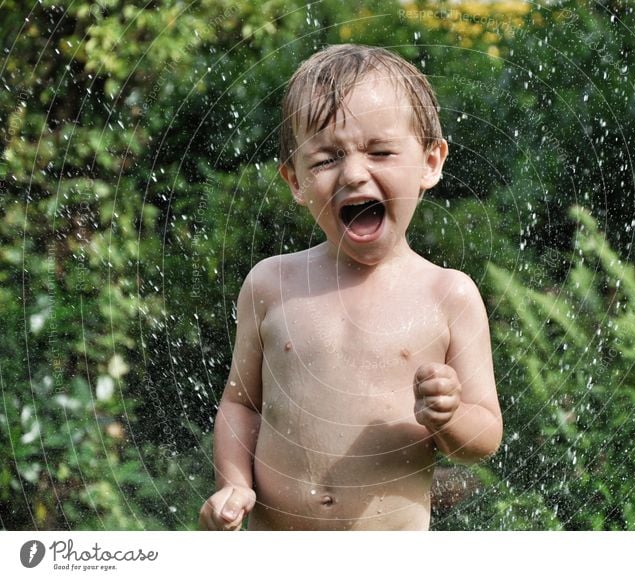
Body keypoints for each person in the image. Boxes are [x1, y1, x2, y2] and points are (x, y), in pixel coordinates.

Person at [198, 44, 502, 531]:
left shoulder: (448, 296)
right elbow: (240, 403)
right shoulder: (271, 285)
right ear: (294, 179)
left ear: (430, 161)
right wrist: (233, 482)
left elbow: (484, 436)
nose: (355, 173)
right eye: (325, 159)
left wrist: (449, 417)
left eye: (380, 151)